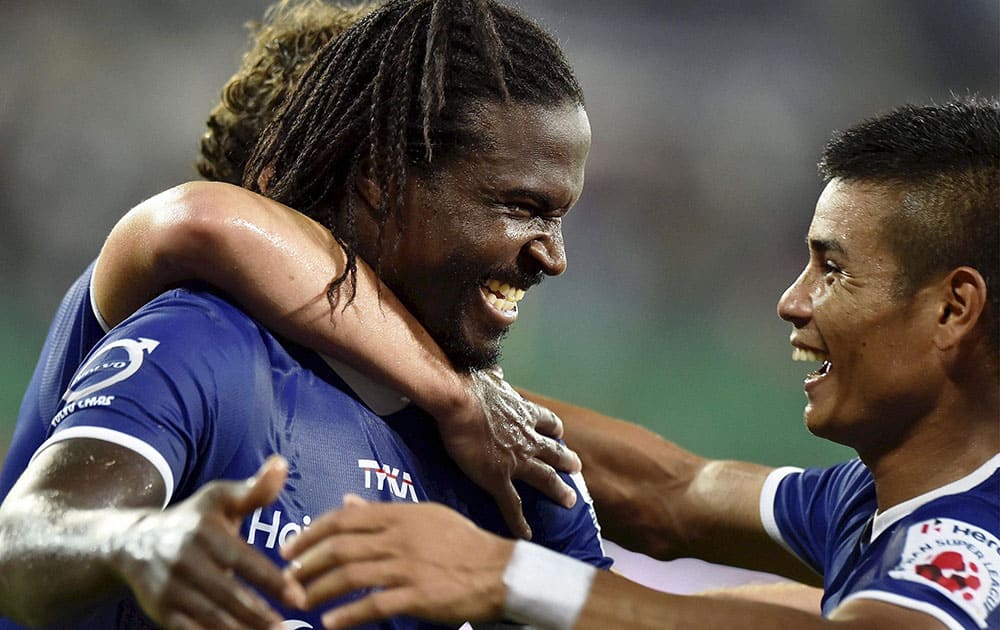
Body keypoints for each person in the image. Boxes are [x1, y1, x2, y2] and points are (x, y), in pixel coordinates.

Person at [268, 98, 1000, 629]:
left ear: (952, 309)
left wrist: (507, 576)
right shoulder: (870, 503)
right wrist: (448, 390)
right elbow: (671, 495)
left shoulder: (972, 536)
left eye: (832, 271)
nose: (791, 300)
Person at [0, 1, 613, 628]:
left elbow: (667, 502)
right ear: (378, 184)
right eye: (522, 207)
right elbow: (17, 545)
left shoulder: (506, 445)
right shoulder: (200, 342)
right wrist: (137, 543)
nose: (555, 258)